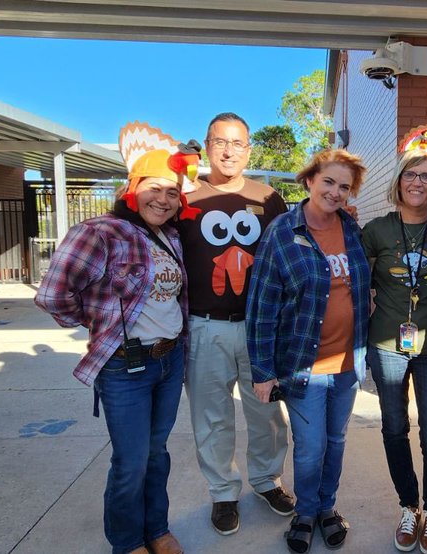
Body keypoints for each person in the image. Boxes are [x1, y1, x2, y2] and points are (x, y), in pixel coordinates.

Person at [35, 142, 201, 554]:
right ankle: (127, 542)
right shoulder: (100, 232)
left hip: (169, 360)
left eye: (172, 192)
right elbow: (54, 295)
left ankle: (156, 529)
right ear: (132, 188)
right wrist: (98, 322)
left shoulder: (171, 237)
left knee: (157, 453)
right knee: (131, 462)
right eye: (154, 188)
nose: (163, 199)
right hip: (126, 367)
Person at [174, 112, 295, 535]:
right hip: (204, 325)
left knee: (268, 412)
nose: (228, 151)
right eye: (220, 142)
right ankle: (223, 491)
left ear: (249, 149)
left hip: (260, 328)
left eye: (237, 143)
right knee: (212, 416)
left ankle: (267, 480)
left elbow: (289, 253)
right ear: (207, 146)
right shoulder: (183, 195)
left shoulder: (269, 198)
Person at [247, 149, 371, 554]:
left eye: (344, 187)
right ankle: (305, 512)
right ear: (309, 180)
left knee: (335, 440)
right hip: (304, 365)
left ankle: (327, 508)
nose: (335, 192)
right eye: (328, 182)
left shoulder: (351, 229)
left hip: (348, 362)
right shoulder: (282, 232)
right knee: (311, 446)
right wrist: (263, 371)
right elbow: (262, 306)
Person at [361, 128, 427, 554]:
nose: (417, 182)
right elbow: (350, 271)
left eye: (426, 175)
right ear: (398, 180)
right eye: (410, 174)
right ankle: (408, 506)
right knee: (394, 428)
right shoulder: (376, 230)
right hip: (387, 343)